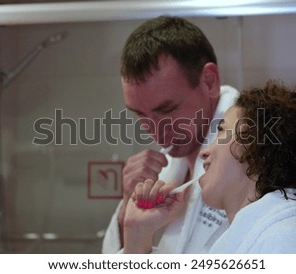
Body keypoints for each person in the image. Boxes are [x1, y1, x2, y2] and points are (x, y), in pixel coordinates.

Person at [122, 80, 296, 253]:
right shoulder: (253, 241)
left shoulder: (290, 241)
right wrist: (136, 234)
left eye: (222, 131)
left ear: (259, 148)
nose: (205, 151)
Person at [102, 15, 239, 253]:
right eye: (140, 114)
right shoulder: (163, 173)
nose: (154, 131)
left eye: (167, 110)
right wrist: (128, 208)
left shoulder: (252, 163)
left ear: (209, 81)